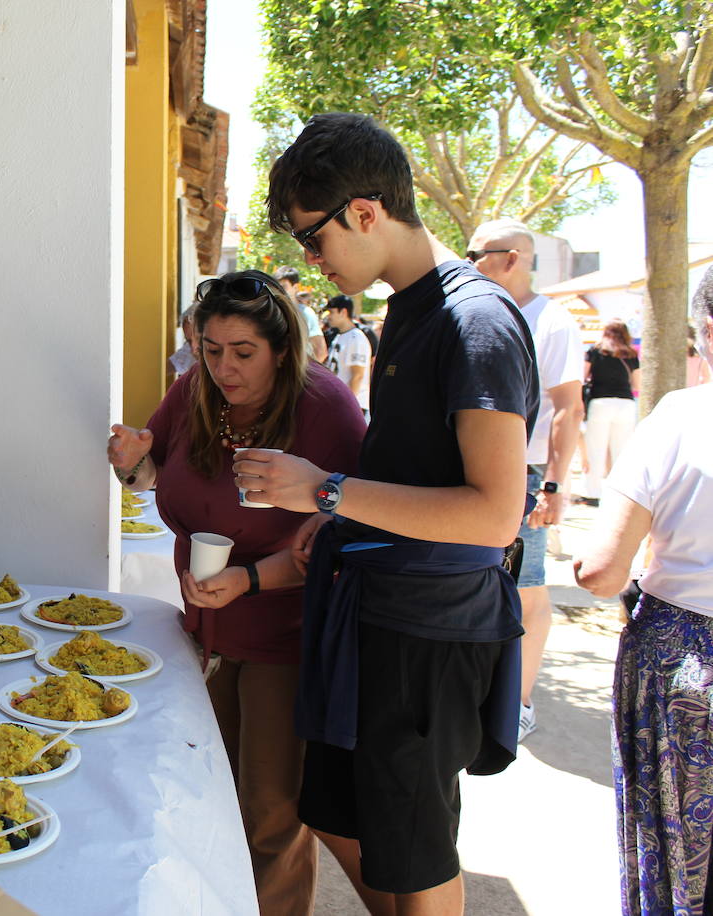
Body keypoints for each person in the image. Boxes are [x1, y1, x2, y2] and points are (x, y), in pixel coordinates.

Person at [254, 112, 537, 915]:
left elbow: (493, 514)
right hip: (376, 609)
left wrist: (326, 491)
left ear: (367, 212)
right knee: (339, 809)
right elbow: (416, 459)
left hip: (431, 629)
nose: (310, 260)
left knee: (414, 852)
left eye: (315, 238)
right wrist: (341, 514)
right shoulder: (410, 305)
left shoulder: (474, 321)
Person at [107, 270, 365, 915]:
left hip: (286, 634)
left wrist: (249, 579)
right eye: (211, 350)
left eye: (243, 353)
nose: (223, 368)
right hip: (204, 631)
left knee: (270, 815)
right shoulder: (196, 391)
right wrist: (131, 461)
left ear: (282, 348)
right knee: (205, 795)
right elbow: (152, 472)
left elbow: (346, 539)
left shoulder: (325, 409)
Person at [573, 283, 713, 915]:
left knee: (681, 858)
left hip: (682, 660)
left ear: (706, 331)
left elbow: (602, 570)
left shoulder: (683, 417)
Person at [467, 218, 585, 743]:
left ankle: (518, 701)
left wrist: (554, 485)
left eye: (478, 253)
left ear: (511, 258)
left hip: (528, 474)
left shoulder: (552, 320)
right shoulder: (475, 310)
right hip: (476, 469)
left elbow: (567, 408)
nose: (469, 263)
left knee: (528, 590)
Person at [581, 319, 641, 504]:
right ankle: (620, 494)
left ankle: (592, 493)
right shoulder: (631, 354)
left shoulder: (594, 351)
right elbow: (637, 384)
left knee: (595, 450)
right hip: (625, 403)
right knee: (621, 451)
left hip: (600, 402)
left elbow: (583, 376)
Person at [323, 295, 370, 414]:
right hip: (338, 403)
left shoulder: (356, 338)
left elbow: (357, 376)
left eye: (331, 312)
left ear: (343, 312)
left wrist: (347, 407)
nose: (329, 316)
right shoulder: (339, 336)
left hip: (352, 406)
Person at [275, 266, 328, 363]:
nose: (279, 291)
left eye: (283, 287)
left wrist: (303, 374)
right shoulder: (272, 312)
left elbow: (320, 351)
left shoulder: (306, 313)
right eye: (276, 287)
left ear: (295, 287)